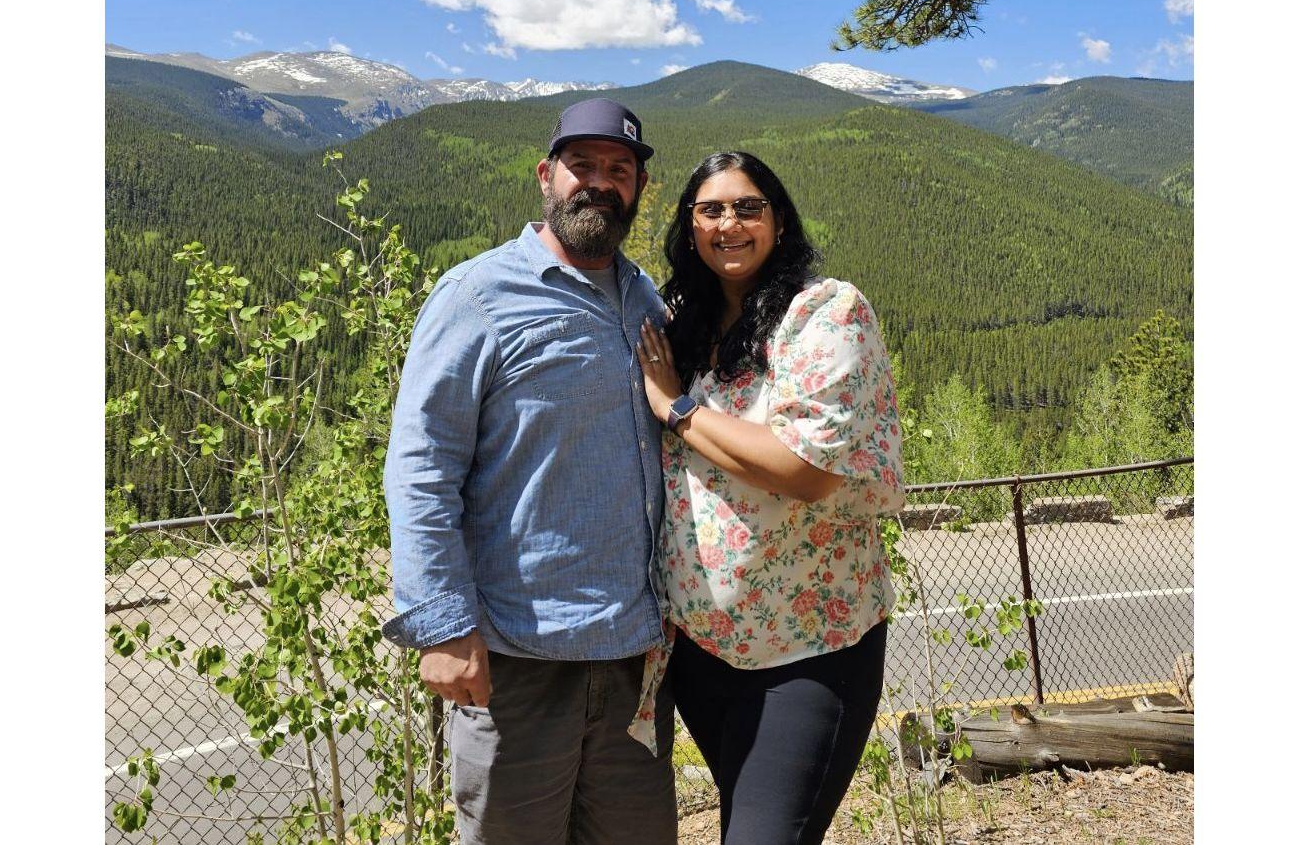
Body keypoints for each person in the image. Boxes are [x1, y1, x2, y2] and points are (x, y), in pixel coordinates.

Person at [382, 98, 677, 845]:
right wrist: (442, 625)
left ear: (639, 188)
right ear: (547, 176)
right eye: (583, 165)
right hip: (515, 659)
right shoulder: (477, 294)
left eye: (620, 170)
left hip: (633, 660)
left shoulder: (646, 299)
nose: (600, 184)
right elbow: (422, 463)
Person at [635, 151, 905, 845]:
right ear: (689, 227)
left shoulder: (824, 313)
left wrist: (677, 408)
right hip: (704, 653)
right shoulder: (683, 327)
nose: (730, 223)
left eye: (749, 207)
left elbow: (804, 469)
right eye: (711, 210)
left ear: (778, 222)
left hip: (811, 652)